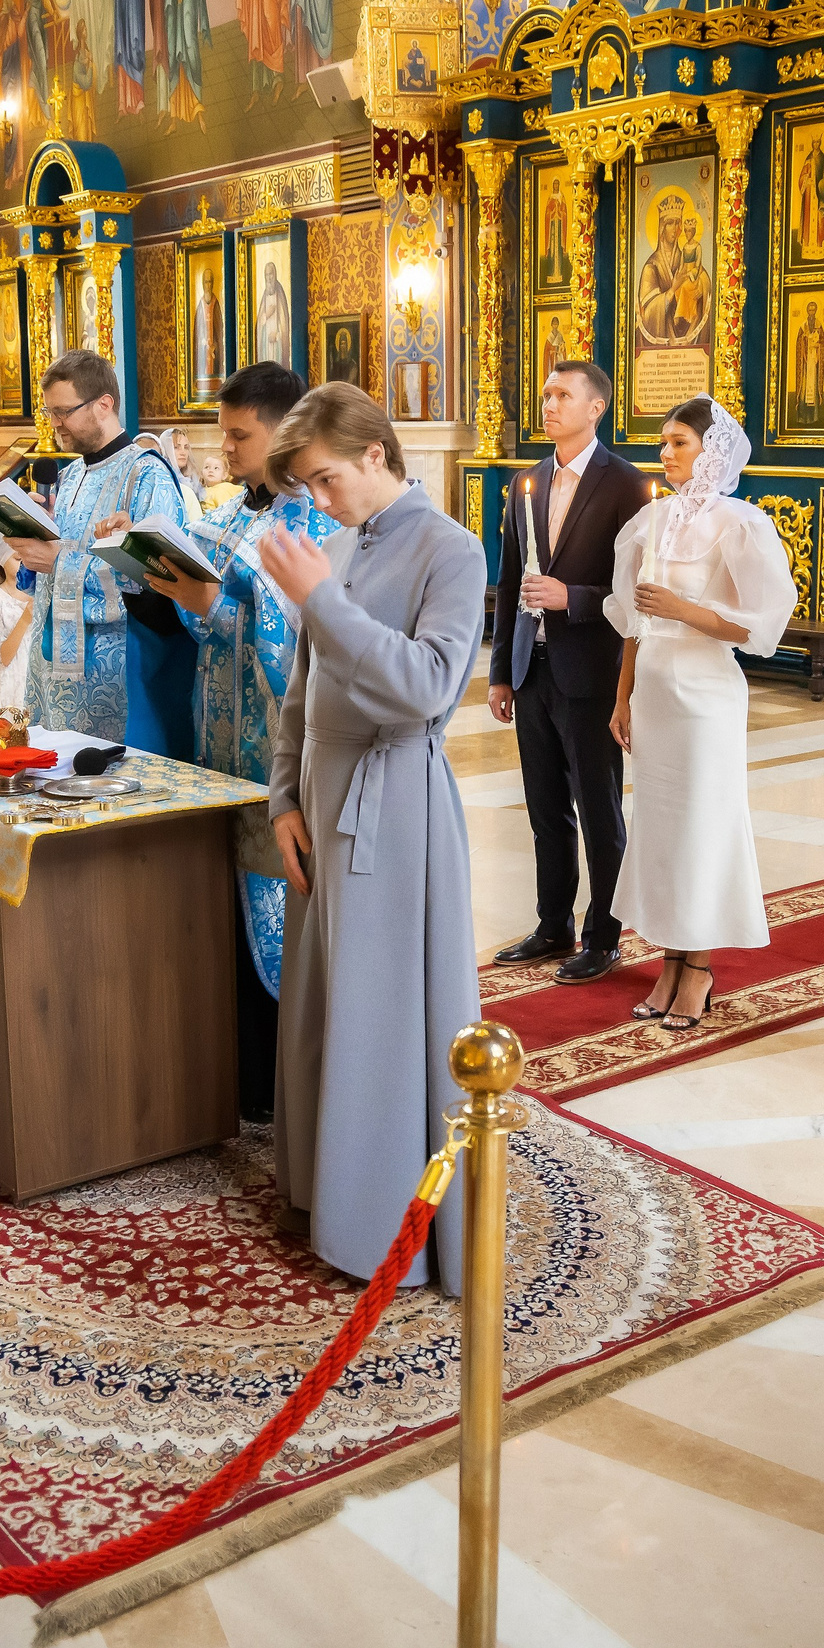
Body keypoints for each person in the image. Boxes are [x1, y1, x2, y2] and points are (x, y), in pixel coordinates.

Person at [260, 384, 485, 1291]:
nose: (318, 499)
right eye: (305, 485)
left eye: (325, 478)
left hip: (393, 805)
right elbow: (300, 688)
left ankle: (386, 1227)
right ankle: (325, 1196)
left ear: (376, 455)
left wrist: (322, 600)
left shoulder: (452, 549)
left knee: (383, 1018)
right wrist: (282, 798)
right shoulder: (342, 543)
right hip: (321, 791)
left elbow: (428, 686)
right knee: (323, 1005)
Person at [134, 362, 338, 1121]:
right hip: (212, 745)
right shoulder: (224, 516)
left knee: (272, 915)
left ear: (285, 431)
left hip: (272, 758)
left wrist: (215, 606)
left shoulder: (309, 522)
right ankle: (235, 1078)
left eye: (238, 435)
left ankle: (280, 1088)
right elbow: (204, 612)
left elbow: (300, 656)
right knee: (223, 913)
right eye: (222, 433)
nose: (224, 448)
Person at [604, 398, 797, 1030]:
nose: (665, 452)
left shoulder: (739, 524)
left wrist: (683, 608)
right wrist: (622, 694)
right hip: (655, 693)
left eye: (679, 442)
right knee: (660, 831)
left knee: (701, 830)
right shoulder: (649, 520)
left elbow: (758, 626)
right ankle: (670, 959)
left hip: (706, 696)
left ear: (710, 451)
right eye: (663, 442)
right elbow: (632, 619)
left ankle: (700, 967)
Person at [489, 360, 650, 984]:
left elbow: (637, 590)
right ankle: (552, 923)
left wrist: (573, 598)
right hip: (533, 668)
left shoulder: (627, 486)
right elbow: (508, 583)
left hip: (591, 671)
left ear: (596, 408)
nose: (549, 404)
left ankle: (603, 935)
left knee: (598, 808)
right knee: (545, 808)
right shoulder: (525, 484)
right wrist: (502, 670)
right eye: (546, 394)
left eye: (563, 395)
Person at [0, 348, 195, 756]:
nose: (55, 424)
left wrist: (58, 560)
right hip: (51, 665)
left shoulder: (147, 475)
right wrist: (29, 541)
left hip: (113, 671)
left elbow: (157, 577)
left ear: (104, 404)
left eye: (63, 412)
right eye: (49, 413)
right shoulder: (72, 473)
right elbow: (47, 568)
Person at [0, 550, 35, 706]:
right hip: (13, 678)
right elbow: (3, 657)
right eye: (18, 558)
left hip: (38, 673)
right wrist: (25, 618)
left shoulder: (39, 593)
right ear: (1, 561)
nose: (25, 563)